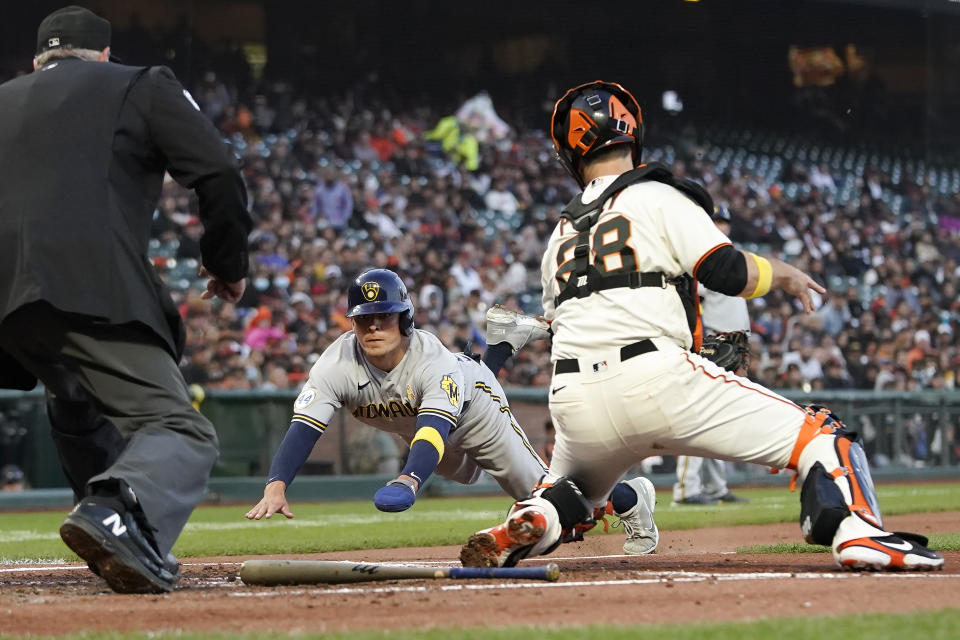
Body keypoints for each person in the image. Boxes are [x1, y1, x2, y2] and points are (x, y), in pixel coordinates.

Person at [460, 80, 943, 571]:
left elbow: (556, 320)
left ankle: (538, 516)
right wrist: (785, 274)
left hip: (574, 397)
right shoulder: (656, 196)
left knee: (574, 493)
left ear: (570, 151)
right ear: (632, 133)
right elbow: (725, 271)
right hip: (655, 378)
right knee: (823, 435)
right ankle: (858, 532)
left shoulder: (558, 236)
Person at [0, 6, 251, 593]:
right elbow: (216, 170)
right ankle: (116, 513)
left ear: (39, 60)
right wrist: (226, 261)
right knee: (180, 429)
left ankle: (114, 535)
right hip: (85, 285)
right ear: (104, 55)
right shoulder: (141, 83)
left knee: (74, 399)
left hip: (10, 300)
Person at [246, 269, 658, 556]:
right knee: (465, 459)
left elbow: (431, 430)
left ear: (404, 318)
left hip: (473, 412)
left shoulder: (430, 360)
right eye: (363, 319)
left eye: (383, 317)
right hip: (430, 430)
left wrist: (409, 479)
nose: (372, 327)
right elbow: (304, 427)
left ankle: (630, 498)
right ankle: (501, 345)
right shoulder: (336, 364)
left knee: (544, 502)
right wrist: (276, 484)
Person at [672, 205, 748, 506]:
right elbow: (690, 294)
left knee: (721, 417)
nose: (722, 226)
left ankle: (716, 487)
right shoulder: (700, 257)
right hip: (713, 342)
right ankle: (685, 490)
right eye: (716, 220)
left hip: (735, 342)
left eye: (725, 221)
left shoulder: (729, 257)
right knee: (700, 416)